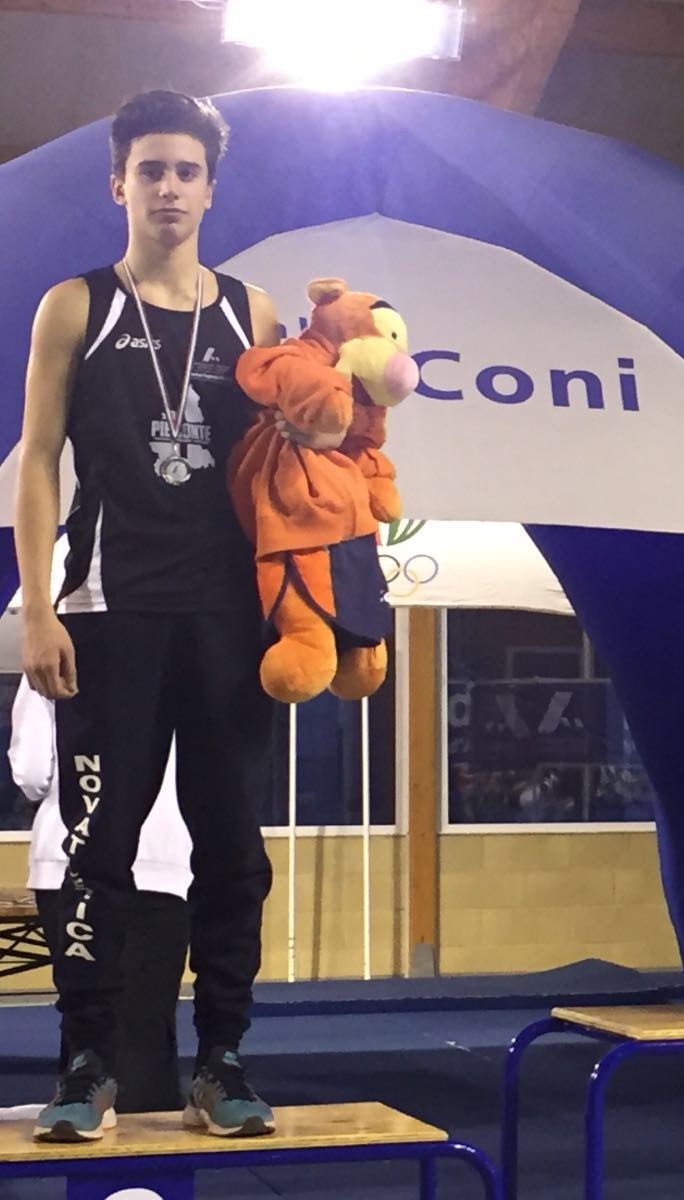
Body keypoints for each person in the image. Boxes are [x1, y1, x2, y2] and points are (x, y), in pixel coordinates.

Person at [15, 90, 279, 1141]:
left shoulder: (253, 315)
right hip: (108, 611)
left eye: (186, 171)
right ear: (118, 183)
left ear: (211, 189)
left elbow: (291, 469)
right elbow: (38, 460)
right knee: (96, 848)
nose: (168, 187)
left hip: (228, 621)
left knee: (233, 850)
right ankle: (87, 1064)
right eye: (150, 170)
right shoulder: (75, 305)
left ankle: (223, 1059)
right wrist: (39, 608)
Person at [12, 677, 190, 1115]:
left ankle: (83, 1122)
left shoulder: (55, 646)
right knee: (146, 1022)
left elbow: (32, 770)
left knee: (83, 1015)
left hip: (70, 852)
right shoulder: (184, 649)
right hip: (160, 854)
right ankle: (140, 1141)